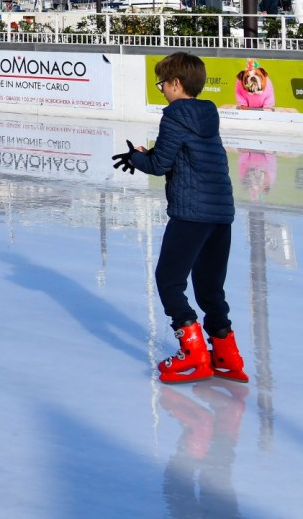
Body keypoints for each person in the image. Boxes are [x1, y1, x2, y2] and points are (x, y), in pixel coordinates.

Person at [112, 52, 246, 384]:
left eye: (162, 83)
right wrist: (148, 156)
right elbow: (179, 158)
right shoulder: (207, 113)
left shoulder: (175, 115)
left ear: (176, 83)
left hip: (191, 212)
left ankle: (195, 354)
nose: (160, 90)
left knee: (169, 281)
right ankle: (227, 355)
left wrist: (135, 158)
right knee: (209, 287)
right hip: (220, 212)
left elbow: (159, 165)